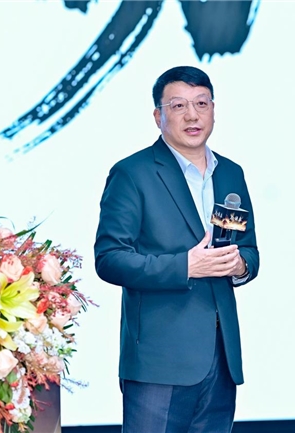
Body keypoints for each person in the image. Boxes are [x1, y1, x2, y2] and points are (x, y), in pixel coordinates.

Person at [94, 65, 260, 433]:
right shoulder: (133, 173)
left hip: (220, 356)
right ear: (158, 117)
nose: (192, 115)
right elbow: (110, 259)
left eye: (201, 103)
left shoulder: (231, 173)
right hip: (159, 359)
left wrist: (238, 265)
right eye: (178, 105)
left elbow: (249, 250)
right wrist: (186, 266)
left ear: (213, 109)